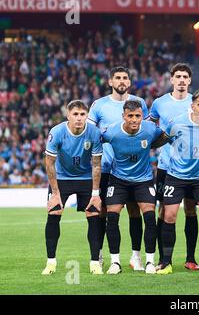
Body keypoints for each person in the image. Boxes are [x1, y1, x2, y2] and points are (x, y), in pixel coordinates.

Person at [88, 66, 149, 271]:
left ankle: (135, 256)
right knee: (104, 212)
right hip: (106, 169)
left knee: (134, 212)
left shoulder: (139, 104)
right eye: (117, 78)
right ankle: (101, 254)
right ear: (110, 82)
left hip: (133, 170)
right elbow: (91, 134)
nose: (121, 81)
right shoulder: (99, 105)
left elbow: (146, 133)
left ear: (129, 82)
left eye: (125, 77)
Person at [157, 89, 199, 275]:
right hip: (176, 176)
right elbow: (164, 141)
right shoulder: (176, 123)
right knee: (169, 215)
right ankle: (166, 262)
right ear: (192, 105)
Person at [101, 100, 167, 275]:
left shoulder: (150, 128)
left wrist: (151, 145)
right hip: (118, 179)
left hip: (143, 180)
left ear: (141, 116)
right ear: (123, 116)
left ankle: (149, 262)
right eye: (130, 116)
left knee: (149, 217)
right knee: (112, 217)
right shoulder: (112, 131)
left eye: (137, 116)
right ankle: (115, 262)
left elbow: (164, 136)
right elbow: (96, 140)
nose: (134, 120)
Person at [149, 63, 199, 271]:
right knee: (164, 212)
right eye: (177, 76)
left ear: (189, 81)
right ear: (171, 79)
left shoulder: (197, 103)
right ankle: (164, 259)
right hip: (166, 166)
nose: (181, 80)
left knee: (190, 210)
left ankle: (191, 258)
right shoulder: (159, 103)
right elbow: (151, 128)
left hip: (193, 168)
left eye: (185, 77)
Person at [42, 100, 103, 275]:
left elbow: (97, 164)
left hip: (85, 178)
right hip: (61, 178)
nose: (78, 118)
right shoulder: (57, 132)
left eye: (82, 114)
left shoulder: (94, 132)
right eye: (75, 114)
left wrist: (95, 193)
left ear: (87, 116)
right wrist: (55, 193)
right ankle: (51, 263)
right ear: (68, 115)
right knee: (53, 214)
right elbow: (49, 164)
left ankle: (94, 263)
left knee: (93, 215)